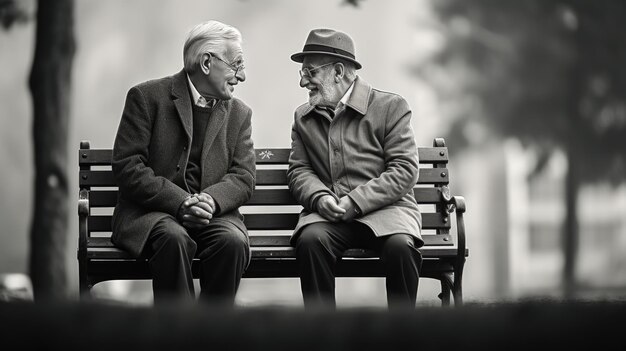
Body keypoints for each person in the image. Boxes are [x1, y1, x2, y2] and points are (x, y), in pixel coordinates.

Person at [111, 20, 255, 305]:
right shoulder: (146, 98)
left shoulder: (239, 113)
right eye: (237, 64)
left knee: (232, 242)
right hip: (154, 215)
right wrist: (181, 202)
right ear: (206, 63)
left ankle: (211, 333)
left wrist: (210, 202)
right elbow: (128, 166)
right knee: (173, 239)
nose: (242, 76)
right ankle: (177, 333)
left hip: (212, 216)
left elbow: (244, 176)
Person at [287, 28, 423, 310]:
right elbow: (299, 171)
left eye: (310, 72)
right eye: (302, 73)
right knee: (311, 241)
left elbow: (404, 169)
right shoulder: (303, 117)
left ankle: (403, 335)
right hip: (330, 217)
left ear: (338, 71)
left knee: (400, 247)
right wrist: (320, 198)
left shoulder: (391, 107)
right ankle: (323, 335)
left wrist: (355, 202)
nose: (303, 82)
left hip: (388, 214)